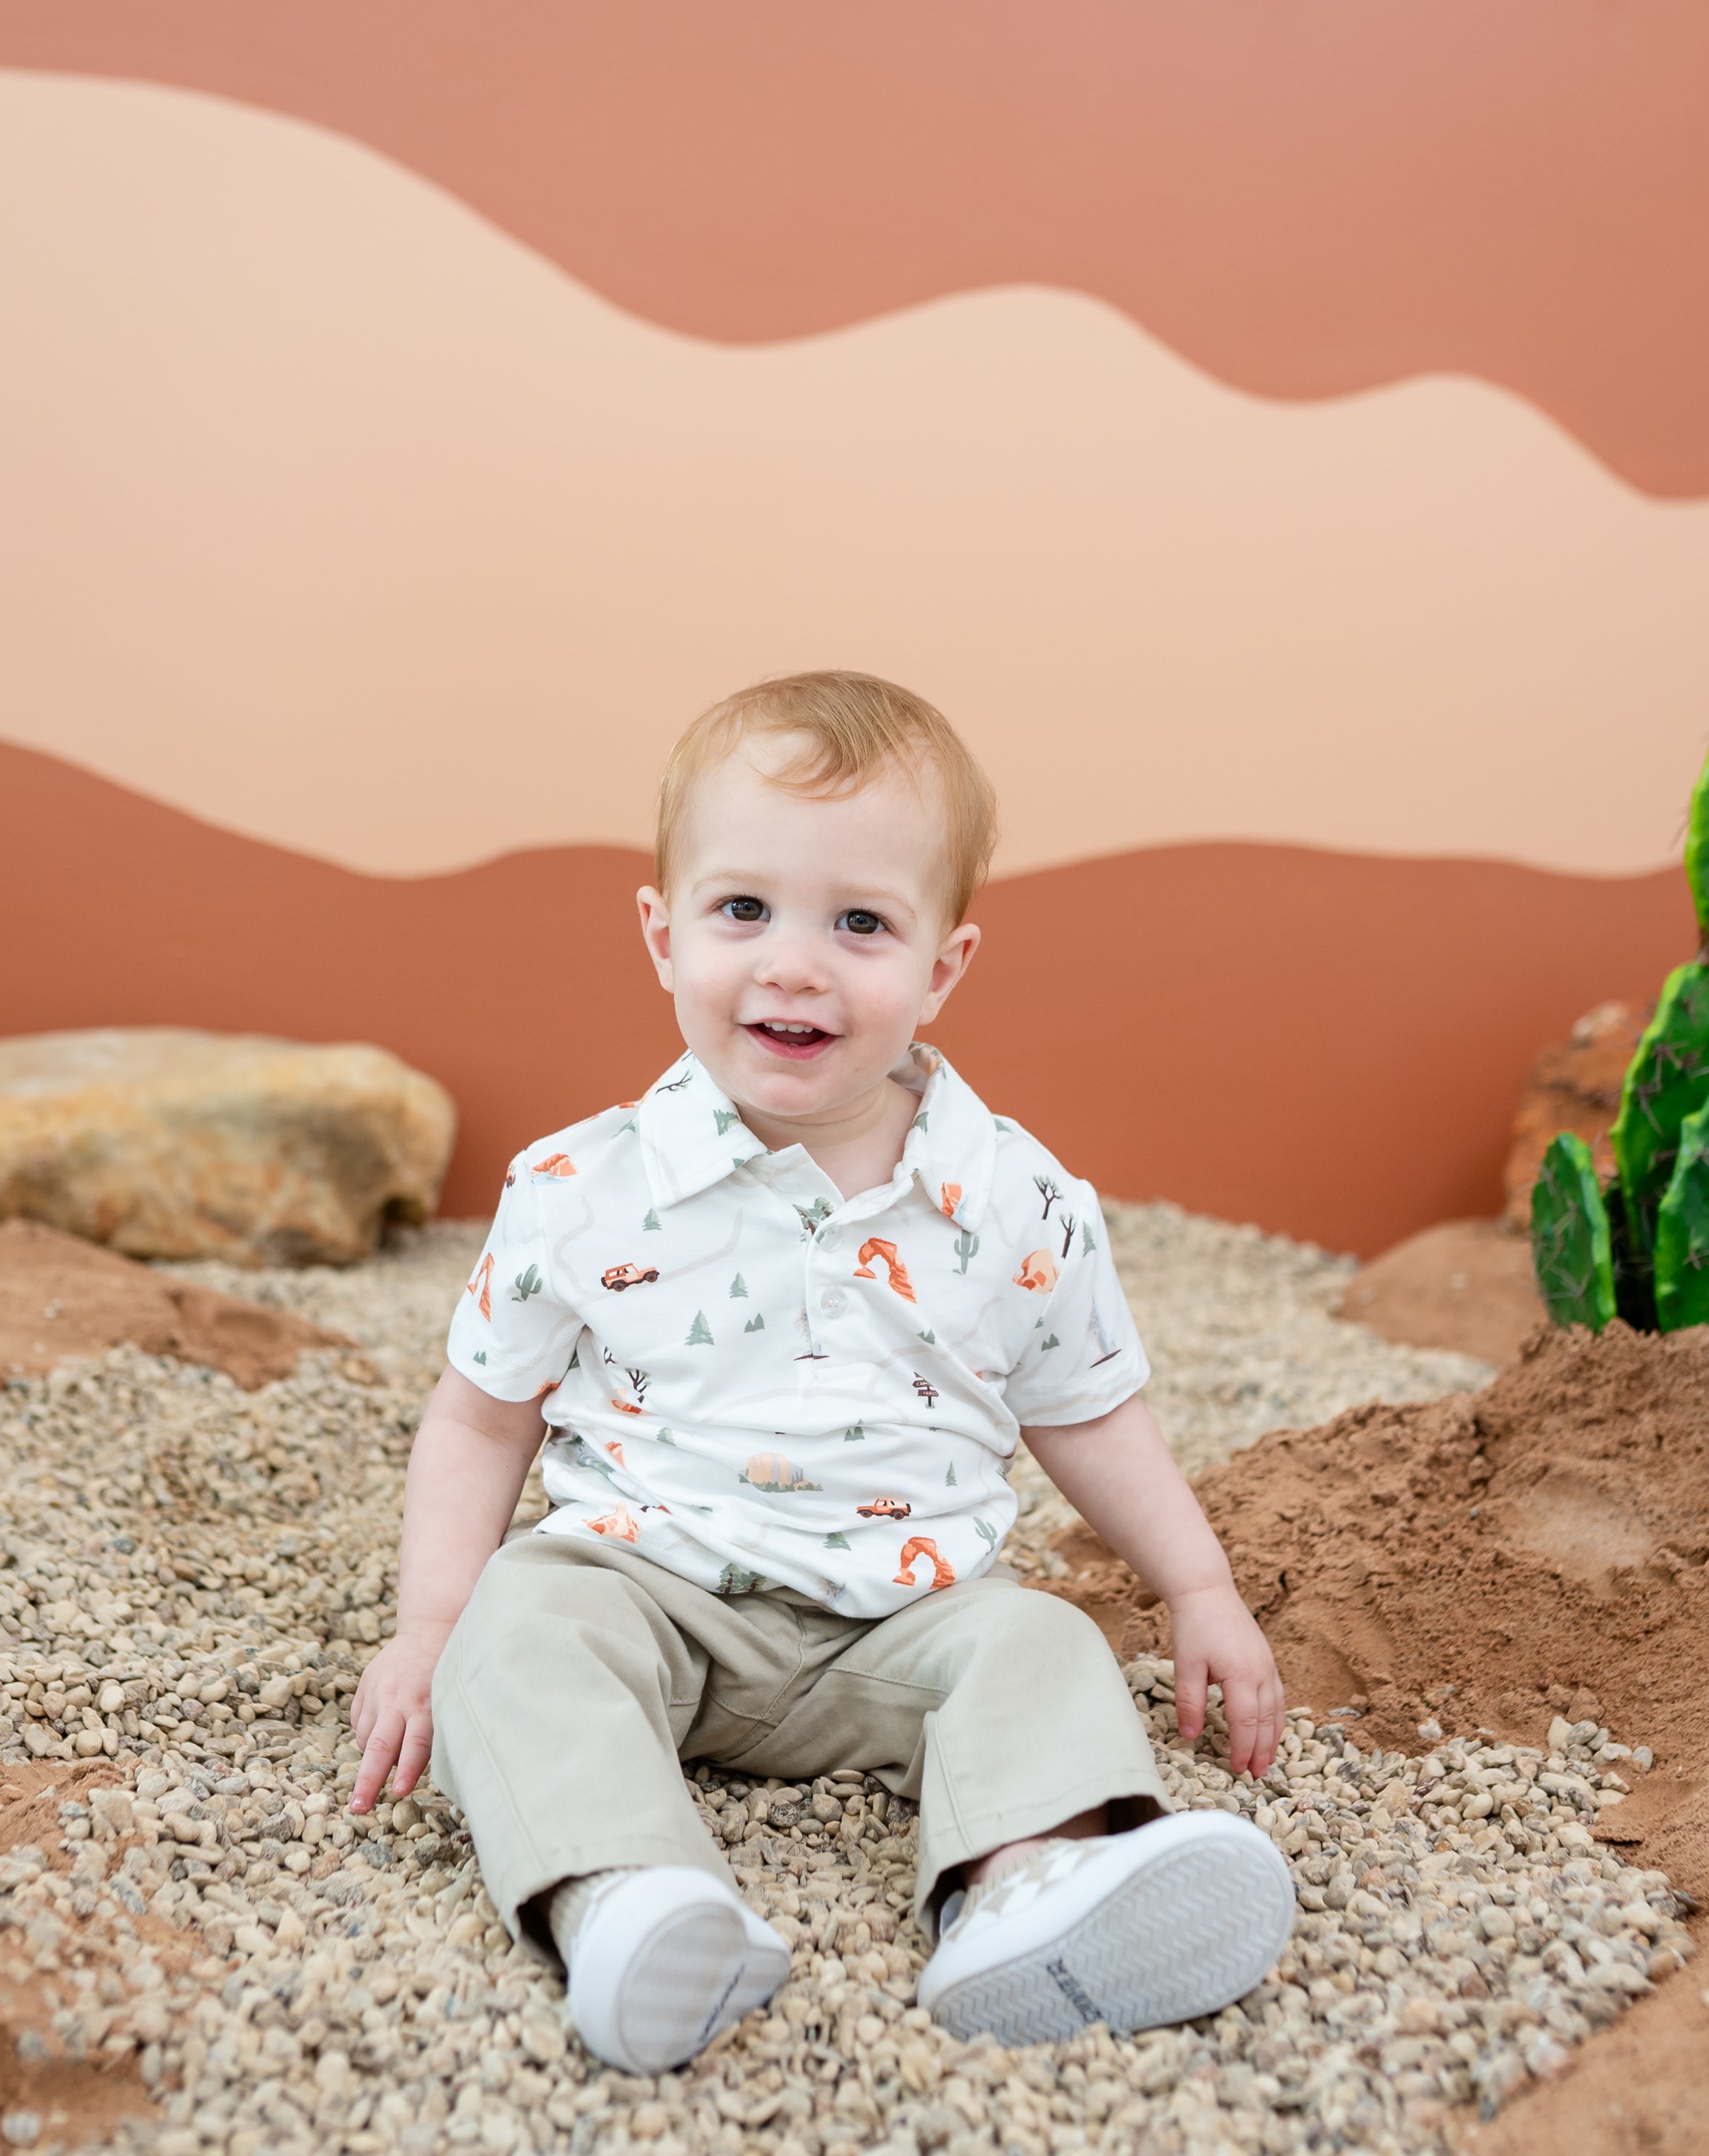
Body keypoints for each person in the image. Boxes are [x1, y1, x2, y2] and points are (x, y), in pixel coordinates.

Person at [348, 671, 1295, 2072]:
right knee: (518, 1633)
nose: (795, 964)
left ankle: (1023, 1887)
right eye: (745, 911)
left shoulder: (1013, 1198)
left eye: (860, 923)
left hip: (903, 1624)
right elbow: (482, 1422)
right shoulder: (580, 1186)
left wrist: (1197, 1586)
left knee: (1042, 1644)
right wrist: (429, 1627)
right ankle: (628, 1897)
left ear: (944, 966)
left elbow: (1088, 1408)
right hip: (647, 1589)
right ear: (662, 939)